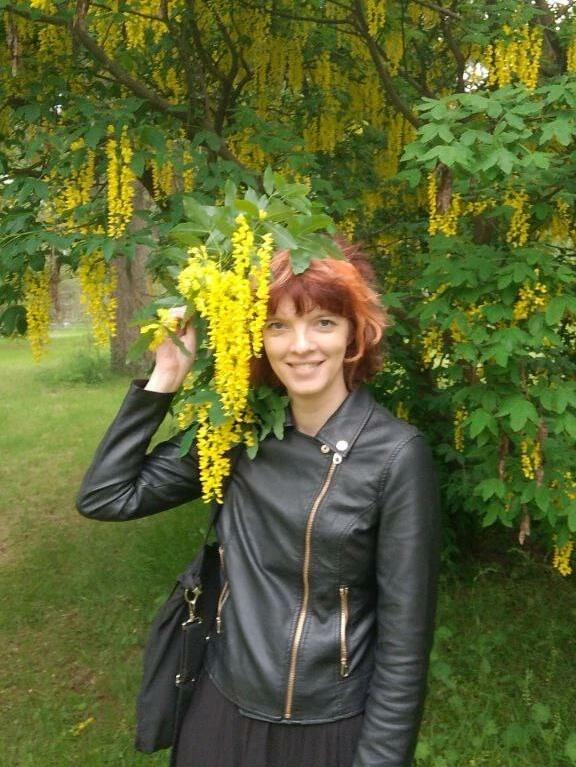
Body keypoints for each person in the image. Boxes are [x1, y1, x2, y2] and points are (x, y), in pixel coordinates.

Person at [76, 242, 442, 767]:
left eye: (323, 323)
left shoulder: (395, 457)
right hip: (218, 707)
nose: (300, 346)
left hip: (325, 727)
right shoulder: (238, 432)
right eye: (277, 326)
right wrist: (166, 377)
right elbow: (106, 496)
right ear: (256, 337)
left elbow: (405, 646)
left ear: (354, 333)